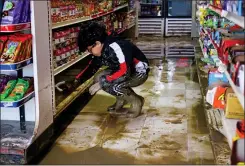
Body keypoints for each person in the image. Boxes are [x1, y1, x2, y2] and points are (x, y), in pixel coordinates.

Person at [77, 21, 149, 118]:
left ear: (97, 43)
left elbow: (124, 71)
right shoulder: (101, 48)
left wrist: (104, 82)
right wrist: (76, 81)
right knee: (99, 78)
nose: (89, 52)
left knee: (112, 85)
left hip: (138, 72)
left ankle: (136, 101)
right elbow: (91, 67)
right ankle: (121, 99)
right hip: (125, 70)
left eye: (89, 50)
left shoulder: (116, 47)